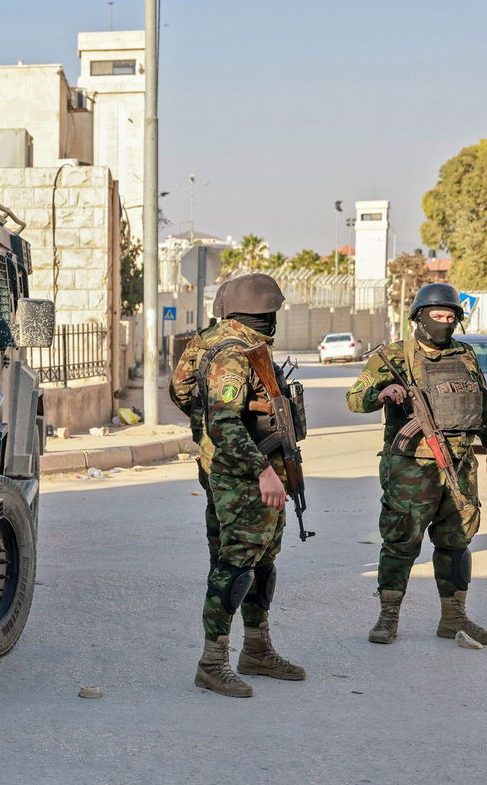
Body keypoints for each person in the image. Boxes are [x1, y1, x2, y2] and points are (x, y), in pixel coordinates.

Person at [345, 283, 487, 646]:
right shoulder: (394, 356)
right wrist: (381, 393)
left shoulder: (464, 355)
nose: (444, 323)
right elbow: (354, 399)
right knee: (401, 541)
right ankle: (388, 617)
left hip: (460, 464)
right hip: (411, 468)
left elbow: (483, 402)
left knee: (457, 542)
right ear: (419, 317)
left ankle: (454, 617)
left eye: (450, 317)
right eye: (438, 316)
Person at [190, 273, 306, 698]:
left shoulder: (212, 343)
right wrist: (263, 469)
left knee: (261, 562)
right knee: (236, 565)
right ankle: (212, 662)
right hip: (242, 474)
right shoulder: (232, 353)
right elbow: (221, 419)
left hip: (247, 468)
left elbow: (184, 395)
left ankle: (256, 649)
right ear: (264, 314)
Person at [169, 281, 233, 565]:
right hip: (254, 447)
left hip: (212, 444)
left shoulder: (205, 339)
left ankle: (219, 574)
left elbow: (178, 387)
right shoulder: (256, 338)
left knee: (216, 510)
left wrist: (202, 417)